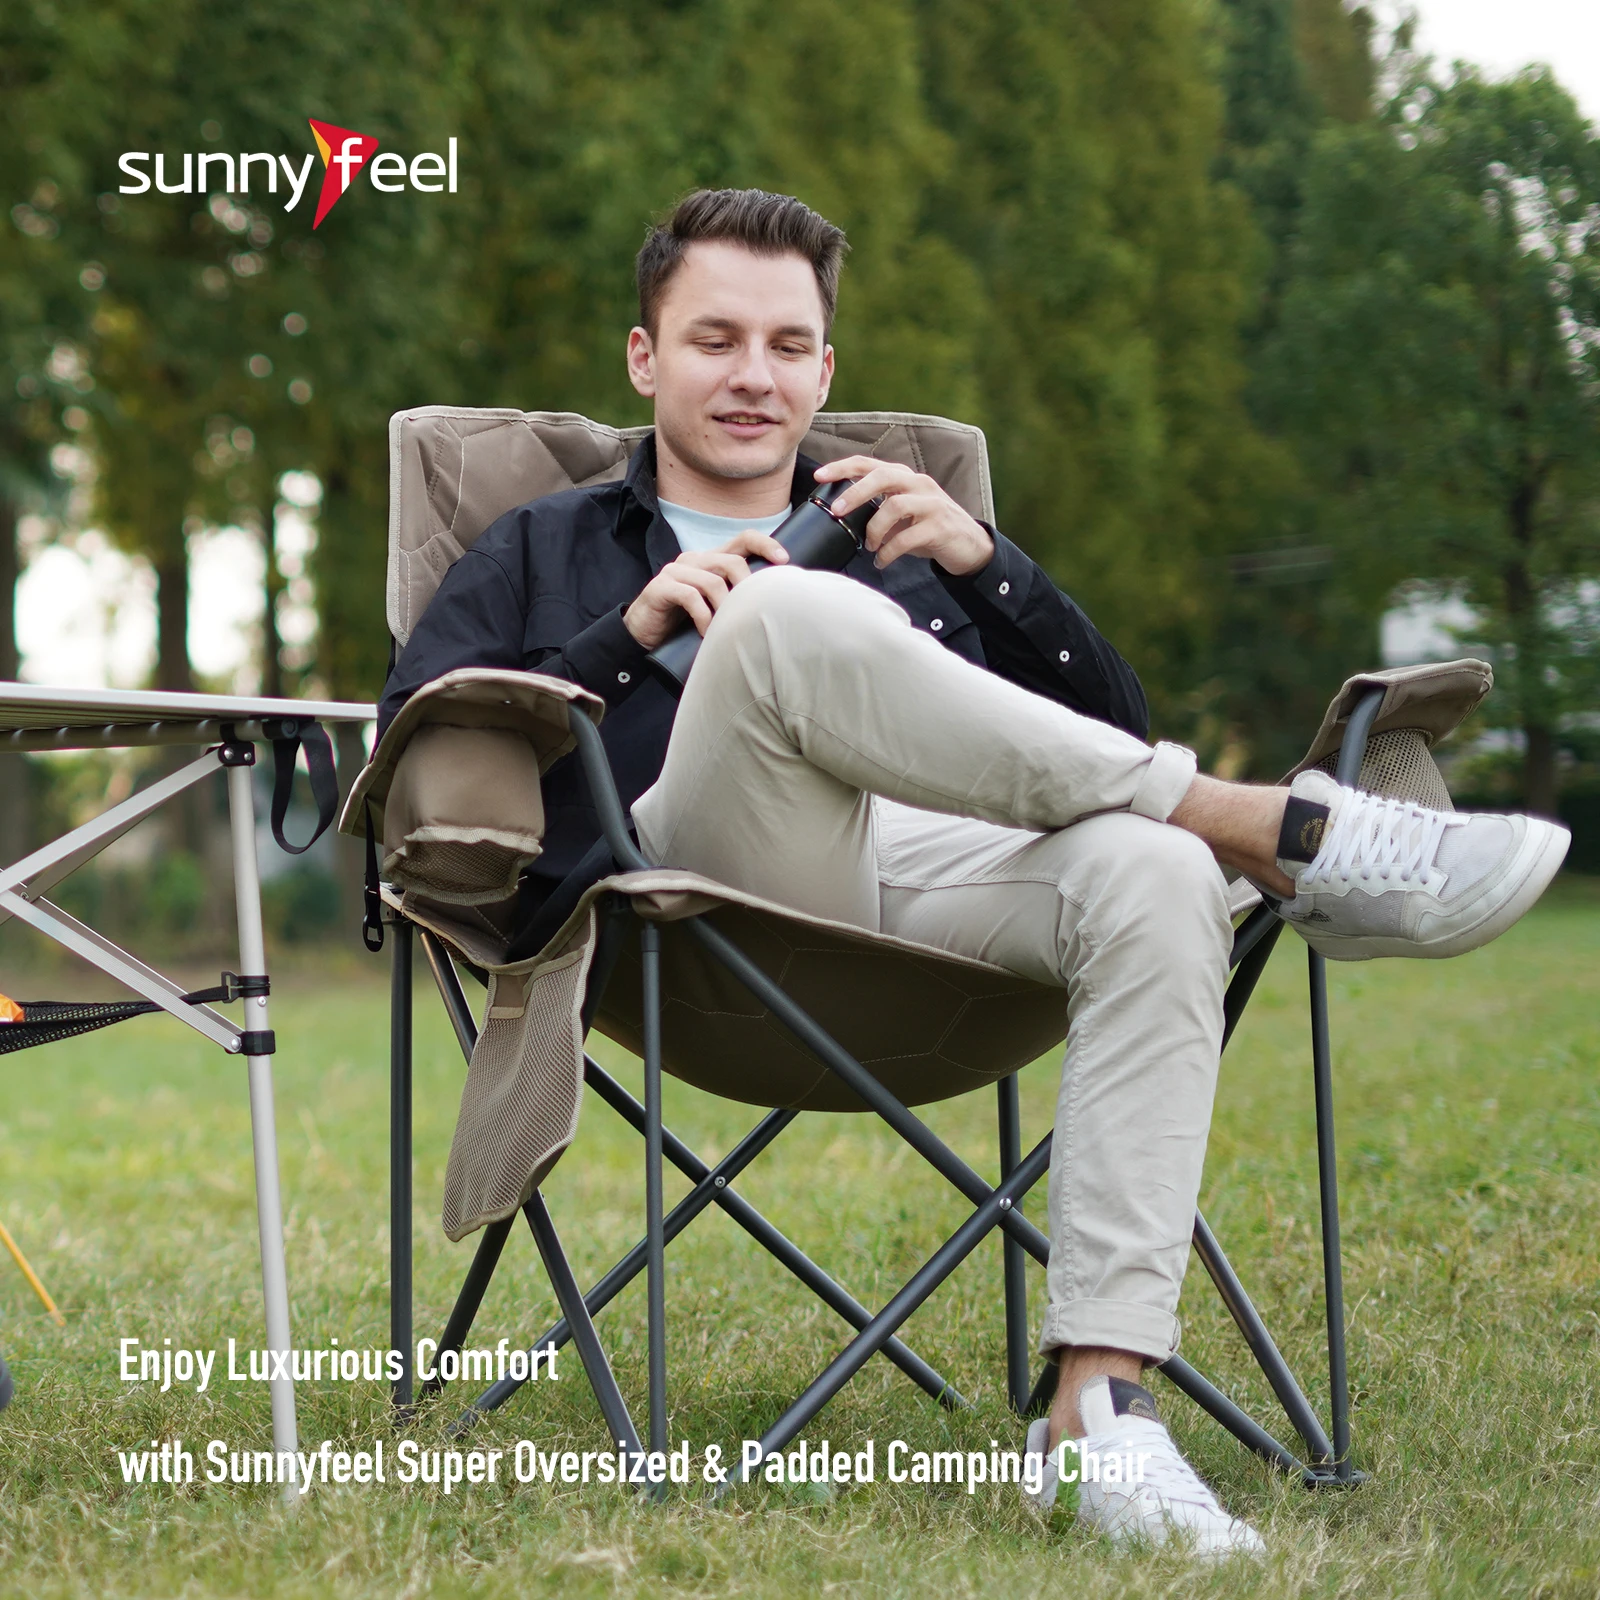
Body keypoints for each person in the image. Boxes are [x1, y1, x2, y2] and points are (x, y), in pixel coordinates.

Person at [380, 188, 1569, 1556]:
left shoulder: (907, 535)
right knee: (783, 615)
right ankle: (1287, 835)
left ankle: (1099, 1412)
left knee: (1155, 872)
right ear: (645, 358)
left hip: (927, 910)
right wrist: (620, 639)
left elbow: (1102, 739)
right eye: (715, 339)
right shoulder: (546, 545)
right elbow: (424, 743)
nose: (754, 374)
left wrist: (993, 568)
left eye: (787, 344)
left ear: (827, 368)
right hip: (684, 923)